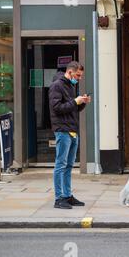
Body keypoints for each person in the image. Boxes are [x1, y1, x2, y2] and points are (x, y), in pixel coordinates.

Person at [49, 61, 91, 209]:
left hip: (72, 130)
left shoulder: (70, 86)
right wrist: (75, 101)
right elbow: (57, 108)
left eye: (80, 76)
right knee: (61, 165)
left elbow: (71, 110)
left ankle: (67, 195)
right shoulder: (57, 85)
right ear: (70, 72)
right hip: (62, 130)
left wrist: (82, 103)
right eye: (78, 75)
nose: (79, 78)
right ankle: (59, 198)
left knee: (69, 165)